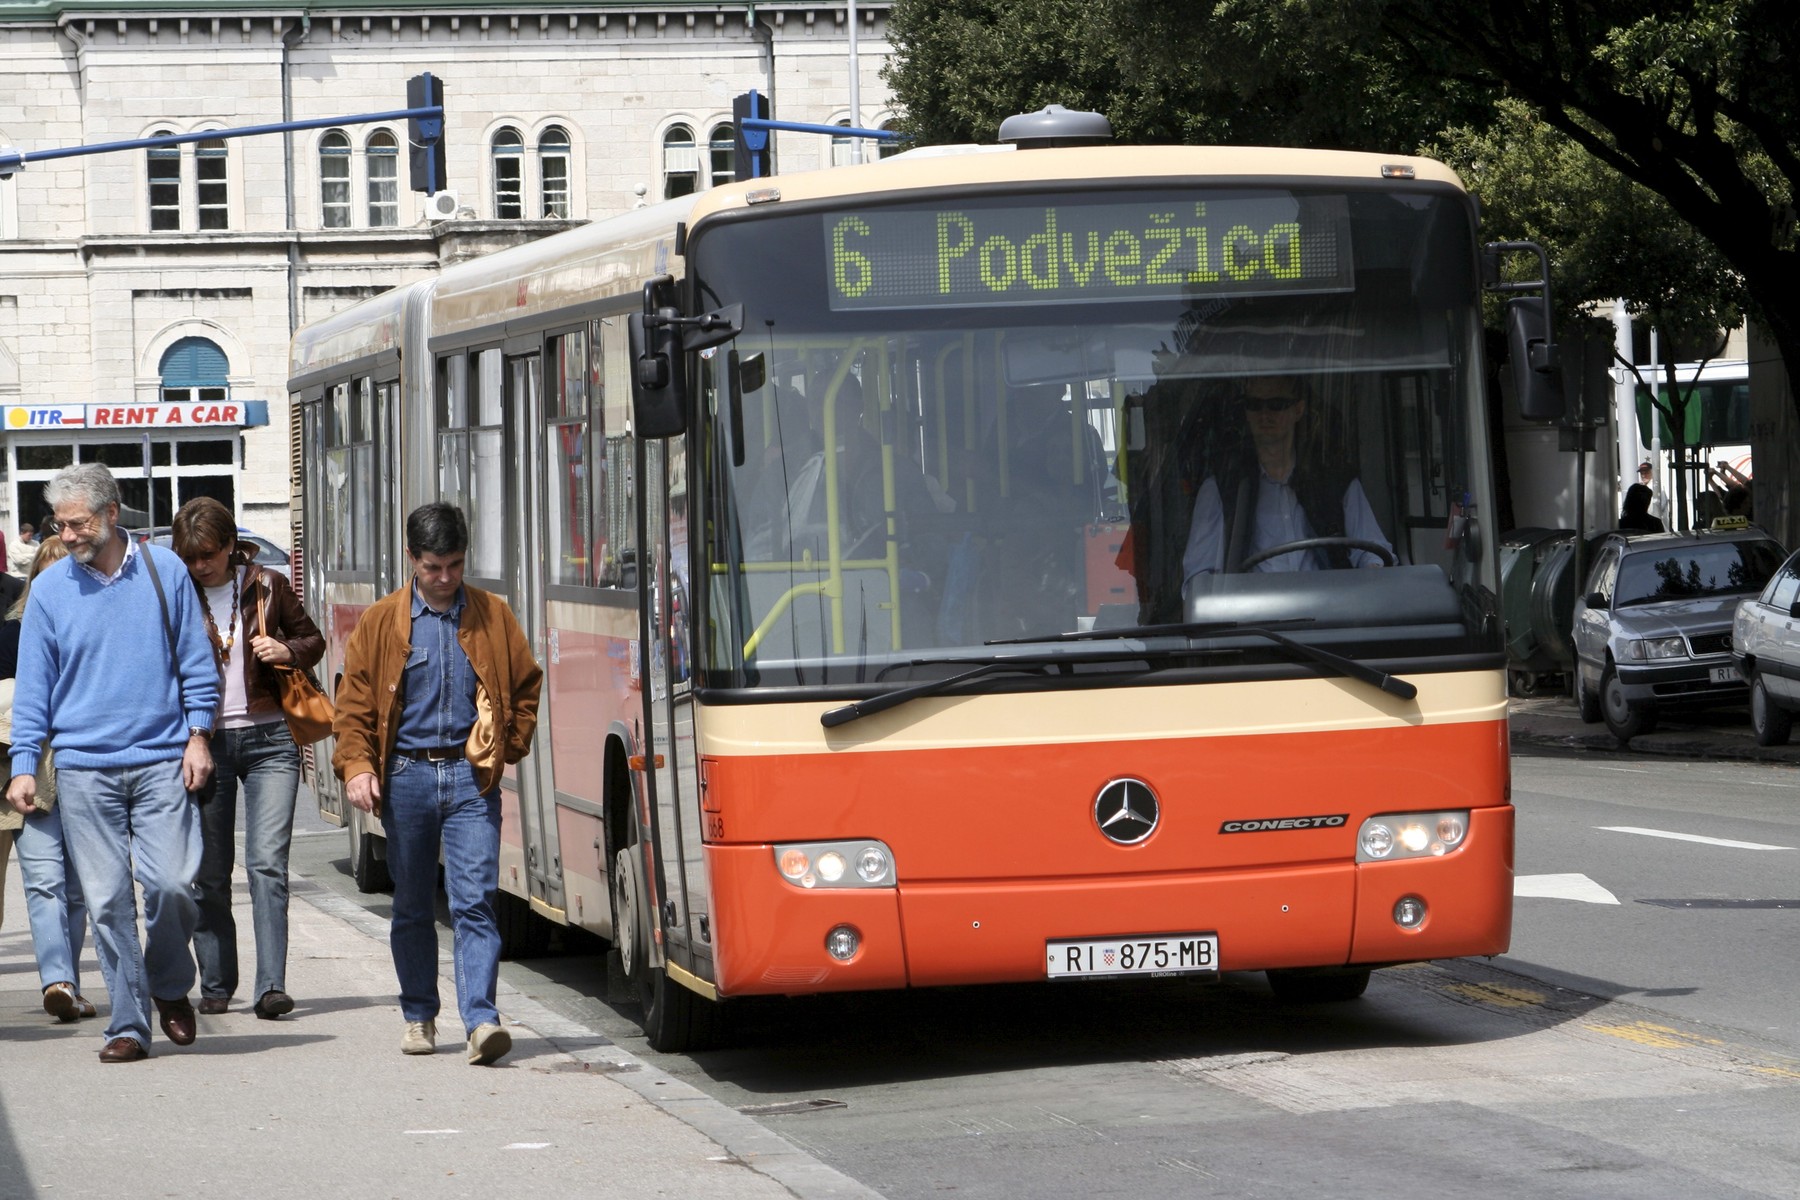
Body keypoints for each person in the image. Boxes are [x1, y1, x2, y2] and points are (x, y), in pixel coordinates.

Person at [3, 463, 218, 1064]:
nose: (67, 536)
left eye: (78, 524)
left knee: (173, 884)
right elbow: (35, 687)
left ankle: (169, 985)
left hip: (160, 760)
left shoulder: (164, 569)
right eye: (59, 524)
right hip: (82, 767)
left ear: (112, 513)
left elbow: (197, 664)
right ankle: (128, 1024)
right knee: (106, 902)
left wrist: (198, 735)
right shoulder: (48, 590)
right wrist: (25, 764)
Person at [332, 502, 542, 1065]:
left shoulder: (493, 616)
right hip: (406, 778)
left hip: (472, 781)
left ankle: (481, 1021)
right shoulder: (381, 623)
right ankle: (420, 1015)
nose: (445, 578)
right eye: (433, 567)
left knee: (475, 902)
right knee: (413, 907)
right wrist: (356, 768)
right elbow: (351, 706)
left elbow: (525, 687)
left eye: (454, 565)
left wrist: (505, 747)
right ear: (412, 560)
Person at [171, 498, 324, 1021]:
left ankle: (271, 986)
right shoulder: (175, 592)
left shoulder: (267, 584)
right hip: (206, 743)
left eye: (208, 555)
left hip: (271, 739)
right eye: (190, 557)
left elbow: (312, 638)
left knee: (266, 864)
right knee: (209, 874)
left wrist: (287, 651)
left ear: (230, 545)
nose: (199, 566)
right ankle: (216, 982)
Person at [0, 536, 96, 1023]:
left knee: (78, 887)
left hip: (85, 768)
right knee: (43, 881)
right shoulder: (15, 631)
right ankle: (56, 979)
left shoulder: (98, 623)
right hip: (33, 771)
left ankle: (71, 983)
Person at [1182, 375, 1392, 582]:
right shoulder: (1220, 488)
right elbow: (1200, 577)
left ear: (1298, 410)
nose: (1264, 415)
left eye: (1276, 404)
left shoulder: (1336, 480)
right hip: (1254, 612)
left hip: (1330, 609)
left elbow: (1372, 550)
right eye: (1254, 405)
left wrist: (1372, 572)